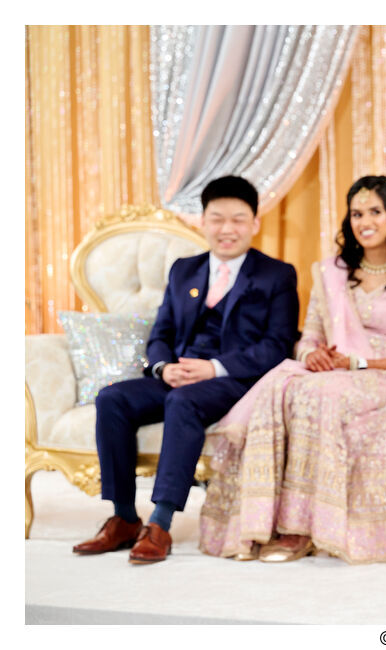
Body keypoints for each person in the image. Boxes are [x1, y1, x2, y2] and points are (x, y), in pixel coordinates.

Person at [198, 175, 386, 564]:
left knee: (321, 393)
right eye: (356, 213)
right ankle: (261, 523)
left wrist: (358, 363)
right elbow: (308, 339)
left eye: (374, 211)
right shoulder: (332, 273)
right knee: (288, 388)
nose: (364, 220)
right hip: (332, 373)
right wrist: (309, 357)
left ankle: (299, 530)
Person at [73, 175, 300, 564]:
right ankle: (124, 518)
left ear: (255, 224)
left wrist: (214, 368)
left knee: (183, 403)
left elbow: (276, 346)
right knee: (112, 398)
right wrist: (162, 368)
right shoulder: (184, 269)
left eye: (238, 219)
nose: (227, 229)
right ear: (203, 221)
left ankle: (159, 524)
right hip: (178, 377)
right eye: (217, 219)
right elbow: (160, 333)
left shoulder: (277, 275)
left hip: (234, 382)